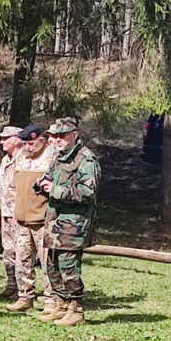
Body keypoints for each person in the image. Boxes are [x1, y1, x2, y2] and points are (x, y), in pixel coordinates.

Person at [37, 117, 100, 327]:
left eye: (62, 135)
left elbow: (88, 192)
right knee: (52, 264)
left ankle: (76, 309)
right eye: (55, 136)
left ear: (74, 135)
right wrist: (42, 185)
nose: (57, 139)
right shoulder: (59, 158)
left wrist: (55, 190)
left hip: (73, 224)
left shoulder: (86, 159)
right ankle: (61, 304)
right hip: (54, 222)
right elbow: (50, 178)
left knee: (68, 266)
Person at [7, 125, 57, 312]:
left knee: (47, 262)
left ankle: (51, 299)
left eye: (31, 143)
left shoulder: (52, 158)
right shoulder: (19, 157)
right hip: (21, 219)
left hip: (42, 219)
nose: (27, 147)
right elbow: (13, 188)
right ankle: (25, 296)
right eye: (24, 143)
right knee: (22, 260)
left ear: (42, 141)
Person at [0, 126, 22, 298]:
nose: (1, 141)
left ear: (16, 140)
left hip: (21, 213)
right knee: (8, 250)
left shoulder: (25, 159)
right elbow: (0, 188)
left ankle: (23, 288)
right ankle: (12, 285)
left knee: (22, 252)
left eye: (5, 138)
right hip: (6, 214)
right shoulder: (5, 160)